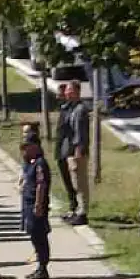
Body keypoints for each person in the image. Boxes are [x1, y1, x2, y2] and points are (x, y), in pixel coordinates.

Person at [20, 129, 53, 279]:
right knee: (33, 235)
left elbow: (41, 185)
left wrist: (38, 204)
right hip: (28, 203)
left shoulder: (40, 164)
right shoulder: (30, 162)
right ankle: (39, 264)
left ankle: (43, 267)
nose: (25, 149)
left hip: (36, 204)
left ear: (35, 146)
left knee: (39, 235)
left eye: (27, 146)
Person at [58, 82, 91, 225]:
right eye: (66, 91)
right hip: (69, 151)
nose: (67, 93)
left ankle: (82, 213)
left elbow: (80, 132)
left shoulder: (80, 110)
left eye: (70, 91)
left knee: (80, 183)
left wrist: (78, 150)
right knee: (74, 182)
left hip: (76, 151)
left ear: (77, 92)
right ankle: (77, 210)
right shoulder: (70, 108)